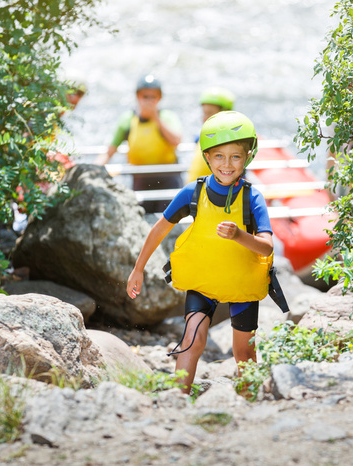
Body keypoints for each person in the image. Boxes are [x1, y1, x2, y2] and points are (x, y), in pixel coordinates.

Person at [126, 111, 274, 394]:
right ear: (207, 157)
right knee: (193, 339)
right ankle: (177, 399)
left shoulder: (252, 198)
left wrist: (239, 235)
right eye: (219, 156)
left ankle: (249, 400)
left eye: (235, 157)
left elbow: (267, 246)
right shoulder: (193, 193)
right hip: (203, 281)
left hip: (242, 284)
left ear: (248, 158)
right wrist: (138, 268)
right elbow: (159, 229)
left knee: (243, 352)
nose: (227, 164)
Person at [94, 74, 182, 212]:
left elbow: (176, 141)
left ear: (159, 98)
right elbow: (109, 151)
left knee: (169, 219)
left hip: (167, 178)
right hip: (140, 179)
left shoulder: (167, 117)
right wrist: (92, 169)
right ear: (138, 97)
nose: (149, 101)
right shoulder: (127, 120)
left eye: (153, 97)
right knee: (142, 218)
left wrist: (156, 118)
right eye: (145, 96)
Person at [186, 86, 235, 183]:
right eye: (204, 114)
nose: (205, 118)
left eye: (210, 114)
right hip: (195, 193)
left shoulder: (228, 143)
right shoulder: (203, 138)